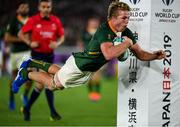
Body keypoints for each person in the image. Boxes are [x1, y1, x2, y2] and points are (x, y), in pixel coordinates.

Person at [12, 1, 166, 118]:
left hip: (87, 69)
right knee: (53, 84)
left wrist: (154, 55)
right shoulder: (104, 31)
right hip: (80, 65)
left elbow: (139, 53)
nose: (127, 21)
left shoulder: (125, 32)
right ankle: (26, 73)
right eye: (124, 17)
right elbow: (108, 54)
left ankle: (31, 63)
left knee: (58, 73)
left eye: (128, 17)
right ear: (113, 18)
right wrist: (126, 44)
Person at [17, 0, 64, 121]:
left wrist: (57, 43)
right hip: (37, 56)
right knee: (47, 83)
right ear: (39, 7)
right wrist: (29, 43)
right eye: (43, 6)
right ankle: (52, 112)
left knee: (43, 84)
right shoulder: (33, 20)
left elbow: (62, 36)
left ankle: (27, 108)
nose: (46, 9)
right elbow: (20, 34)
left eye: (48, 6)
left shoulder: (56, 20)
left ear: (51, 7)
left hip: (49, 56)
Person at [4, 2, 32, 111]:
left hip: (27, 52)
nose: (24, 8)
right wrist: (22, 39)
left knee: (30, 72)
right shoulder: (13, 21)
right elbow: (7, 38)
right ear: (18, 10)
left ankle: (25, 95)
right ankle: (11, 98)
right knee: (14, 76)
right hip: (14, 52)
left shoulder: (31, 21)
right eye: (22, 7)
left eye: (26, 7)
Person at [77, 16, 102, 101]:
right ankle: (91, 93)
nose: (94, 23)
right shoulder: (84, 32)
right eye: (92, 22)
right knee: (89, 77)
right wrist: (81, 53)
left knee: (97, 76)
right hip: (87, 57)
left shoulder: (100, 32)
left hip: (98, 57)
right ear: (89, 23)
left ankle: (98, 92)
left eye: (95, 22)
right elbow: (80, 43)